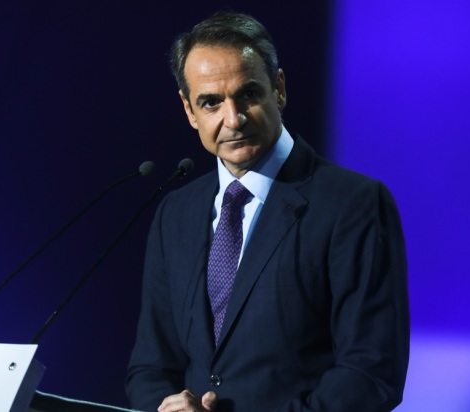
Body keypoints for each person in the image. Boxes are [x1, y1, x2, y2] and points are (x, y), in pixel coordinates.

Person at [126, 11, 409, 412]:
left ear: (278, 89)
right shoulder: (175, 213)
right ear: (189, 110)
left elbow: (371, 372)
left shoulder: (354, 203)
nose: (233, 119)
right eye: (211, 102)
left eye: (248, 94)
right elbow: (150, 367)